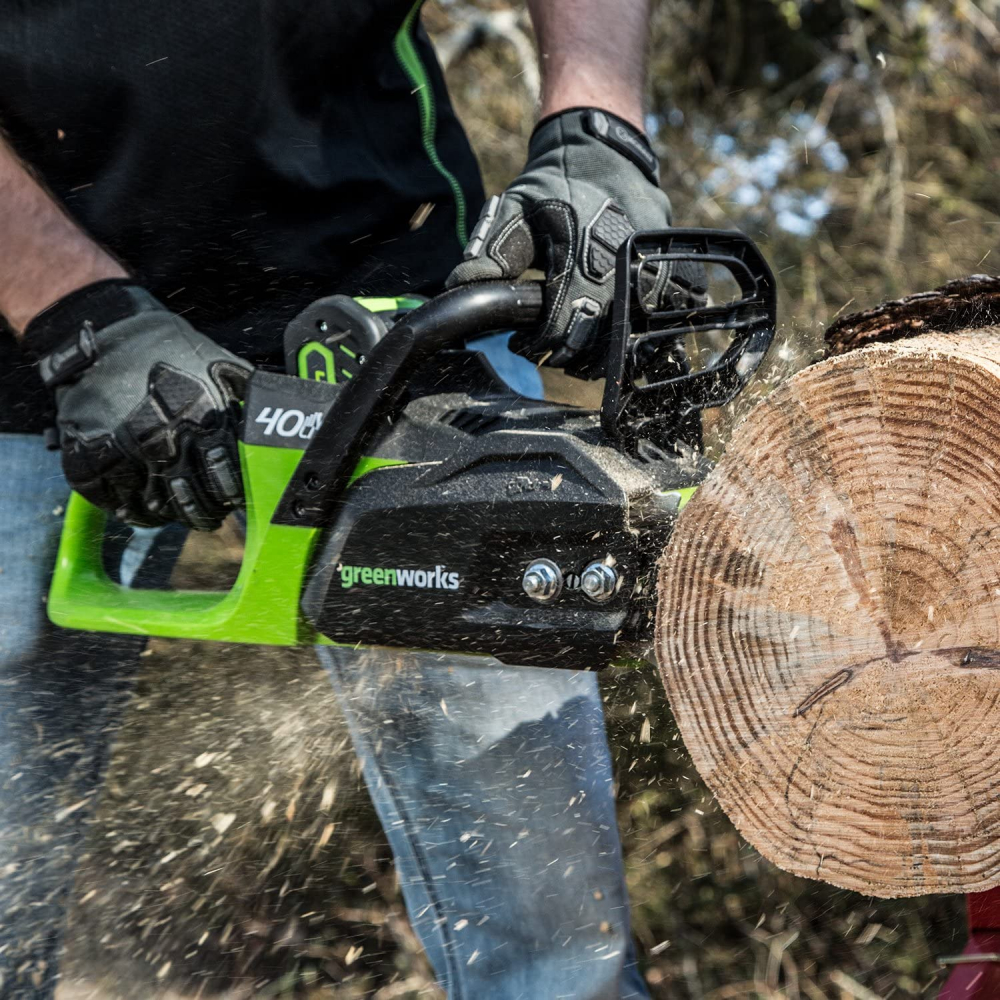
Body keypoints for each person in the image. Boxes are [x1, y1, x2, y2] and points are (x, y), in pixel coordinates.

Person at [0, 2, 701, 996]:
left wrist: (595, 121)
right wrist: (73, 310)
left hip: (395, 303)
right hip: (26, 337)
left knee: (554, 939)